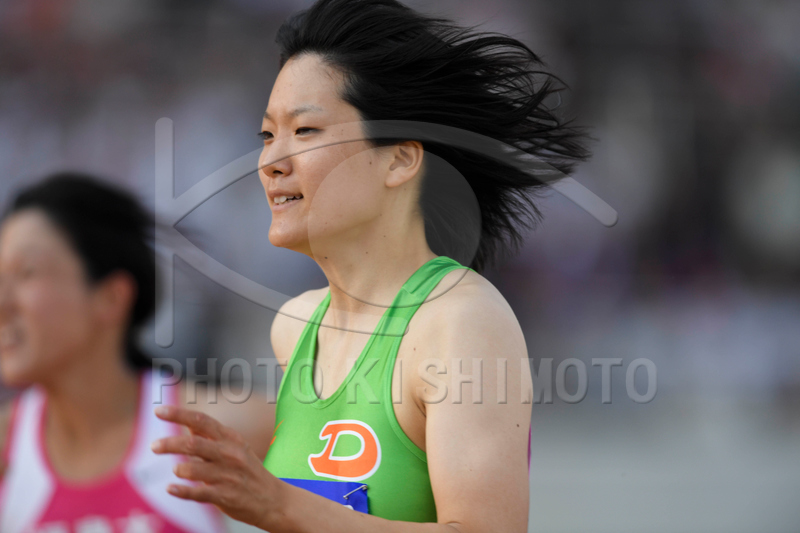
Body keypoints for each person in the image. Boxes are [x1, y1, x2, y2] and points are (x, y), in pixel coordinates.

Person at [151, 0, 590, 531]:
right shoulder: (294, 326)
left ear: (400, 159)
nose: (270, 162)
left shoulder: (459, 321)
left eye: (304, 131)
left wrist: (282, 507)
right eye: (267, 136)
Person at [0, 173, 273, 532]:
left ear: (111, 297)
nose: (3, 301)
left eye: (26, 273)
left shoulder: (228, 431)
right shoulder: (6, 451)